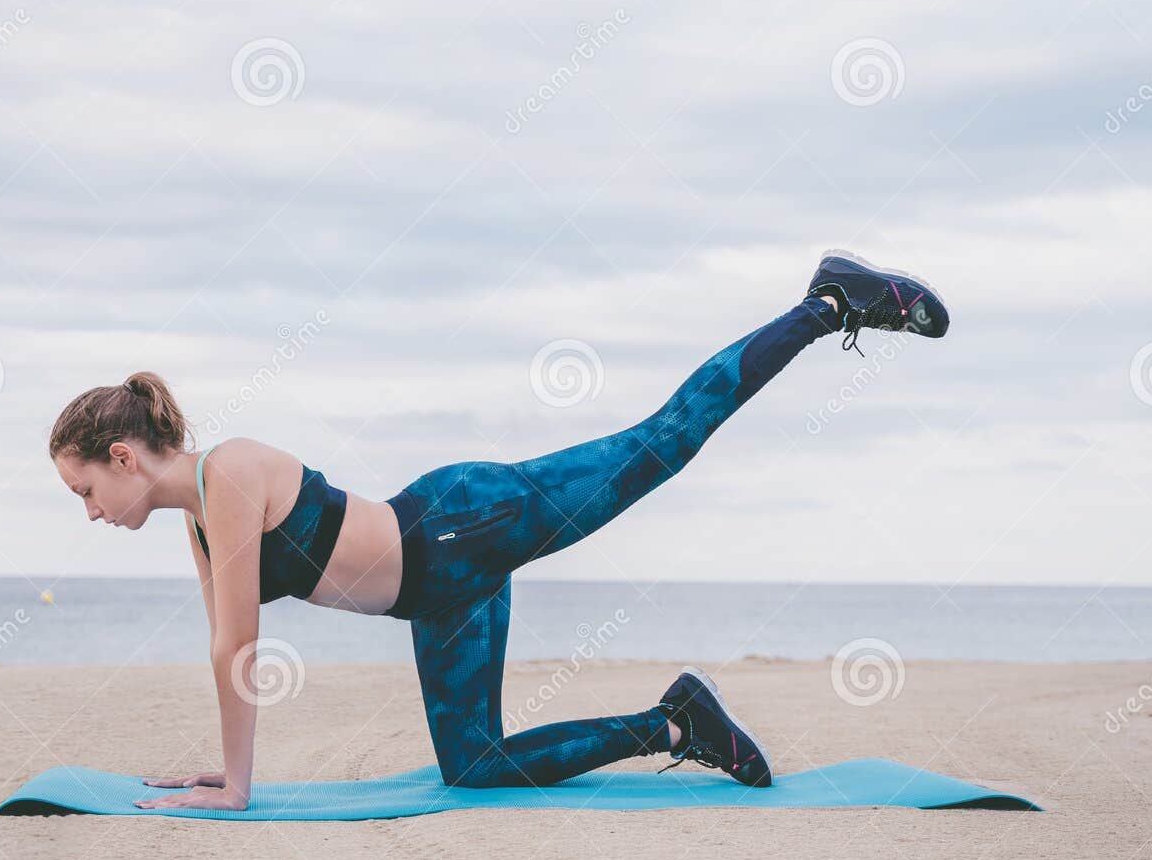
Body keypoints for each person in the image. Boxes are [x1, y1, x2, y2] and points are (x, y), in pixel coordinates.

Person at [48, 251, 949, 811]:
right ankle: (675, 726)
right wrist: (227, 774)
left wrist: (237, 790)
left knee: (659, 444)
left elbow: (235, 649)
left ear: (125, 456)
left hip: (460, 525)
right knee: (473, 768)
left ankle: (828, 304)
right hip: (440, 595)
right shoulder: (201, 528)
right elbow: (228, 648)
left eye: (85, 489)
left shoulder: (229, 472)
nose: (90, 512)